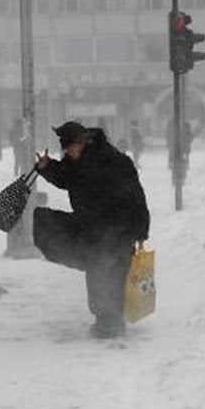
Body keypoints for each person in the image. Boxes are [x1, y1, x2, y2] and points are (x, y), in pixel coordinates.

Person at [33, 121, 150, 339]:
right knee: (98, 272)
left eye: (71, 148)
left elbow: (136, 195)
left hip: (119, 228)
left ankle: (111, 323)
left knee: (111, 272)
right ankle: (105, 321)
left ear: (82, 142)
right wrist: (47, 167)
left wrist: (141, 230)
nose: (69, 152)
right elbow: (66, 177)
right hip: (94, 229)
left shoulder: (114, 161)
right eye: (66, 149)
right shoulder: (77, 161)